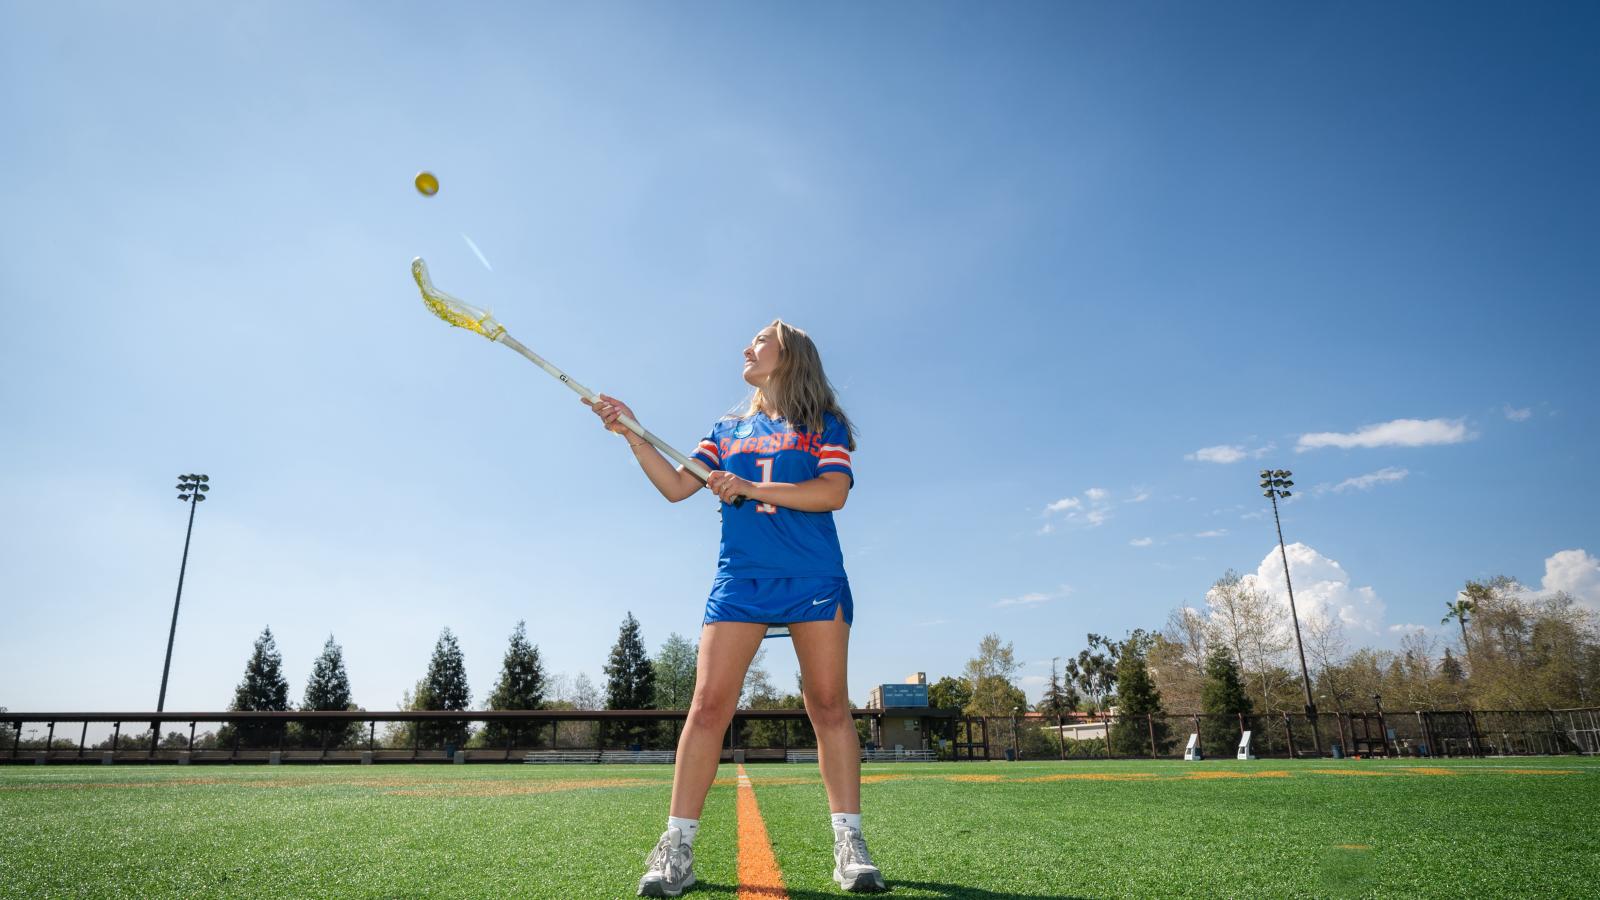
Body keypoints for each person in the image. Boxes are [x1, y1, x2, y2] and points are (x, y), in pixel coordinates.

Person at [584, 319, 885, 896]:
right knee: (707, 706)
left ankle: (849, 842)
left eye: (759, 341)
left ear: (790, 353)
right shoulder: (726, 429)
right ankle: (677, 848)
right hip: (741, 579)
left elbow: (832, 494)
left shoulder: (825, 424)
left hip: (812, 575)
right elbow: (677, 487)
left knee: (826, 705)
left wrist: (749, 488)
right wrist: (633, 434)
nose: (746, 349)